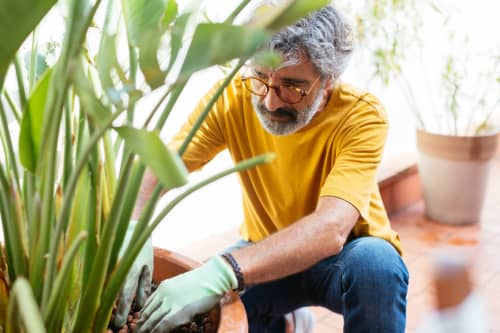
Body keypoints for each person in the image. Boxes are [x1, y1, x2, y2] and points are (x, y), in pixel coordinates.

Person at [115, 4, 409, 333]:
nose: (271, 102)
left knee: (377, 265)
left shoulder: (361, 116)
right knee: (204, 313)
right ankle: (284, 321)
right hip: (266, 257)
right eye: (260, 77)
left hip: (342, 261)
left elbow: (332, 228)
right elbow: (159, 166)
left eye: (293, 86)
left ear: (327, 81)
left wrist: (220, 272)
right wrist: (132, 224)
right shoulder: (232, 98)